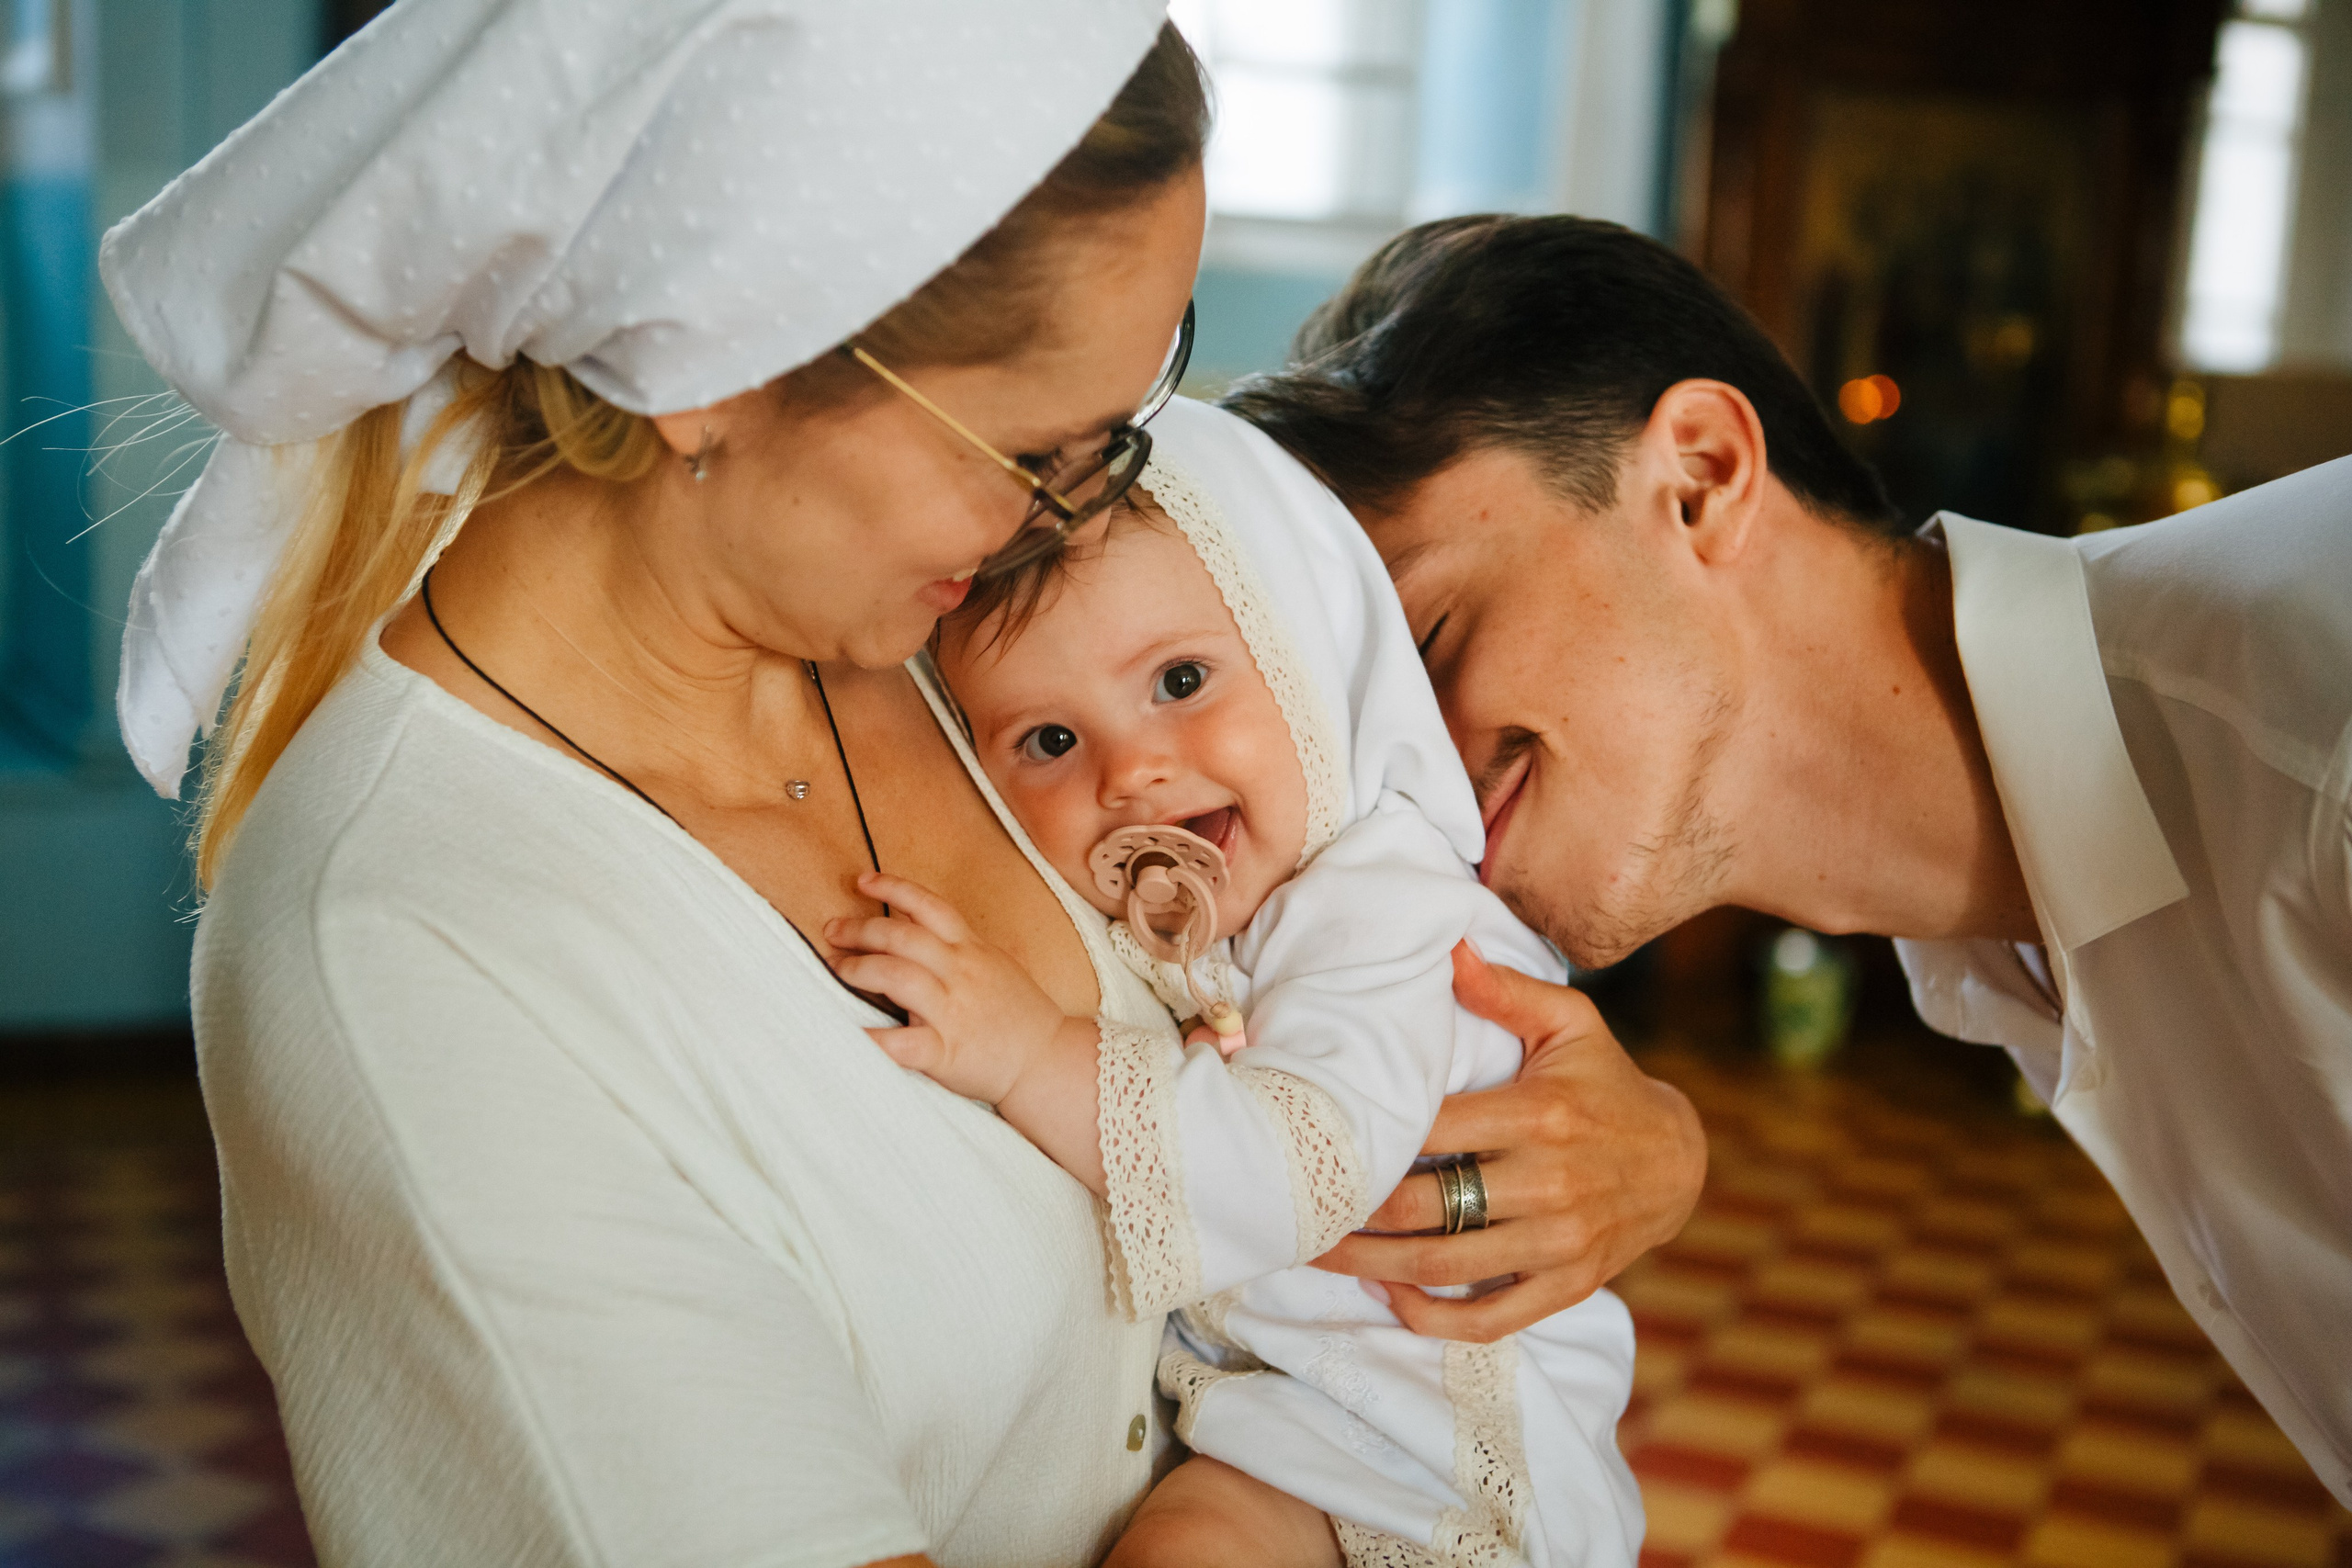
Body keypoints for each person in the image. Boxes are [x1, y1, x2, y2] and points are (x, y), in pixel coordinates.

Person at [100, 6, 1700, 1563]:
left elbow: (1415, 858)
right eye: (1028, 448)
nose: (1072, 516)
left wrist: (1634, 1140)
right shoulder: (414, 957)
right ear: (714, 370)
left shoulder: (990, 589)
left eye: (1138, 419)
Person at [1227, 213, 2352, 1508]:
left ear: (1700, 473)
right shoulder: (2013, 943)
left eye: (1429, 636)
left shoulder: (2314, 737)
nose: (1408, 782)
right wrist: (1665, 1141)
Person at [831, 396, 1645, 1567]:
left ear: (1307, 657)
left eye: (1178, 681)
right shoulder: (1204, 923)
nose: (1132, 771)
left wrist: (1023, 1054)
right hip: (1300, 1430)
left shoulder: (1385, 907)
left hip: (1445, 1465)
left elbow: (1304, 1164)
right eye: (1049, 742)